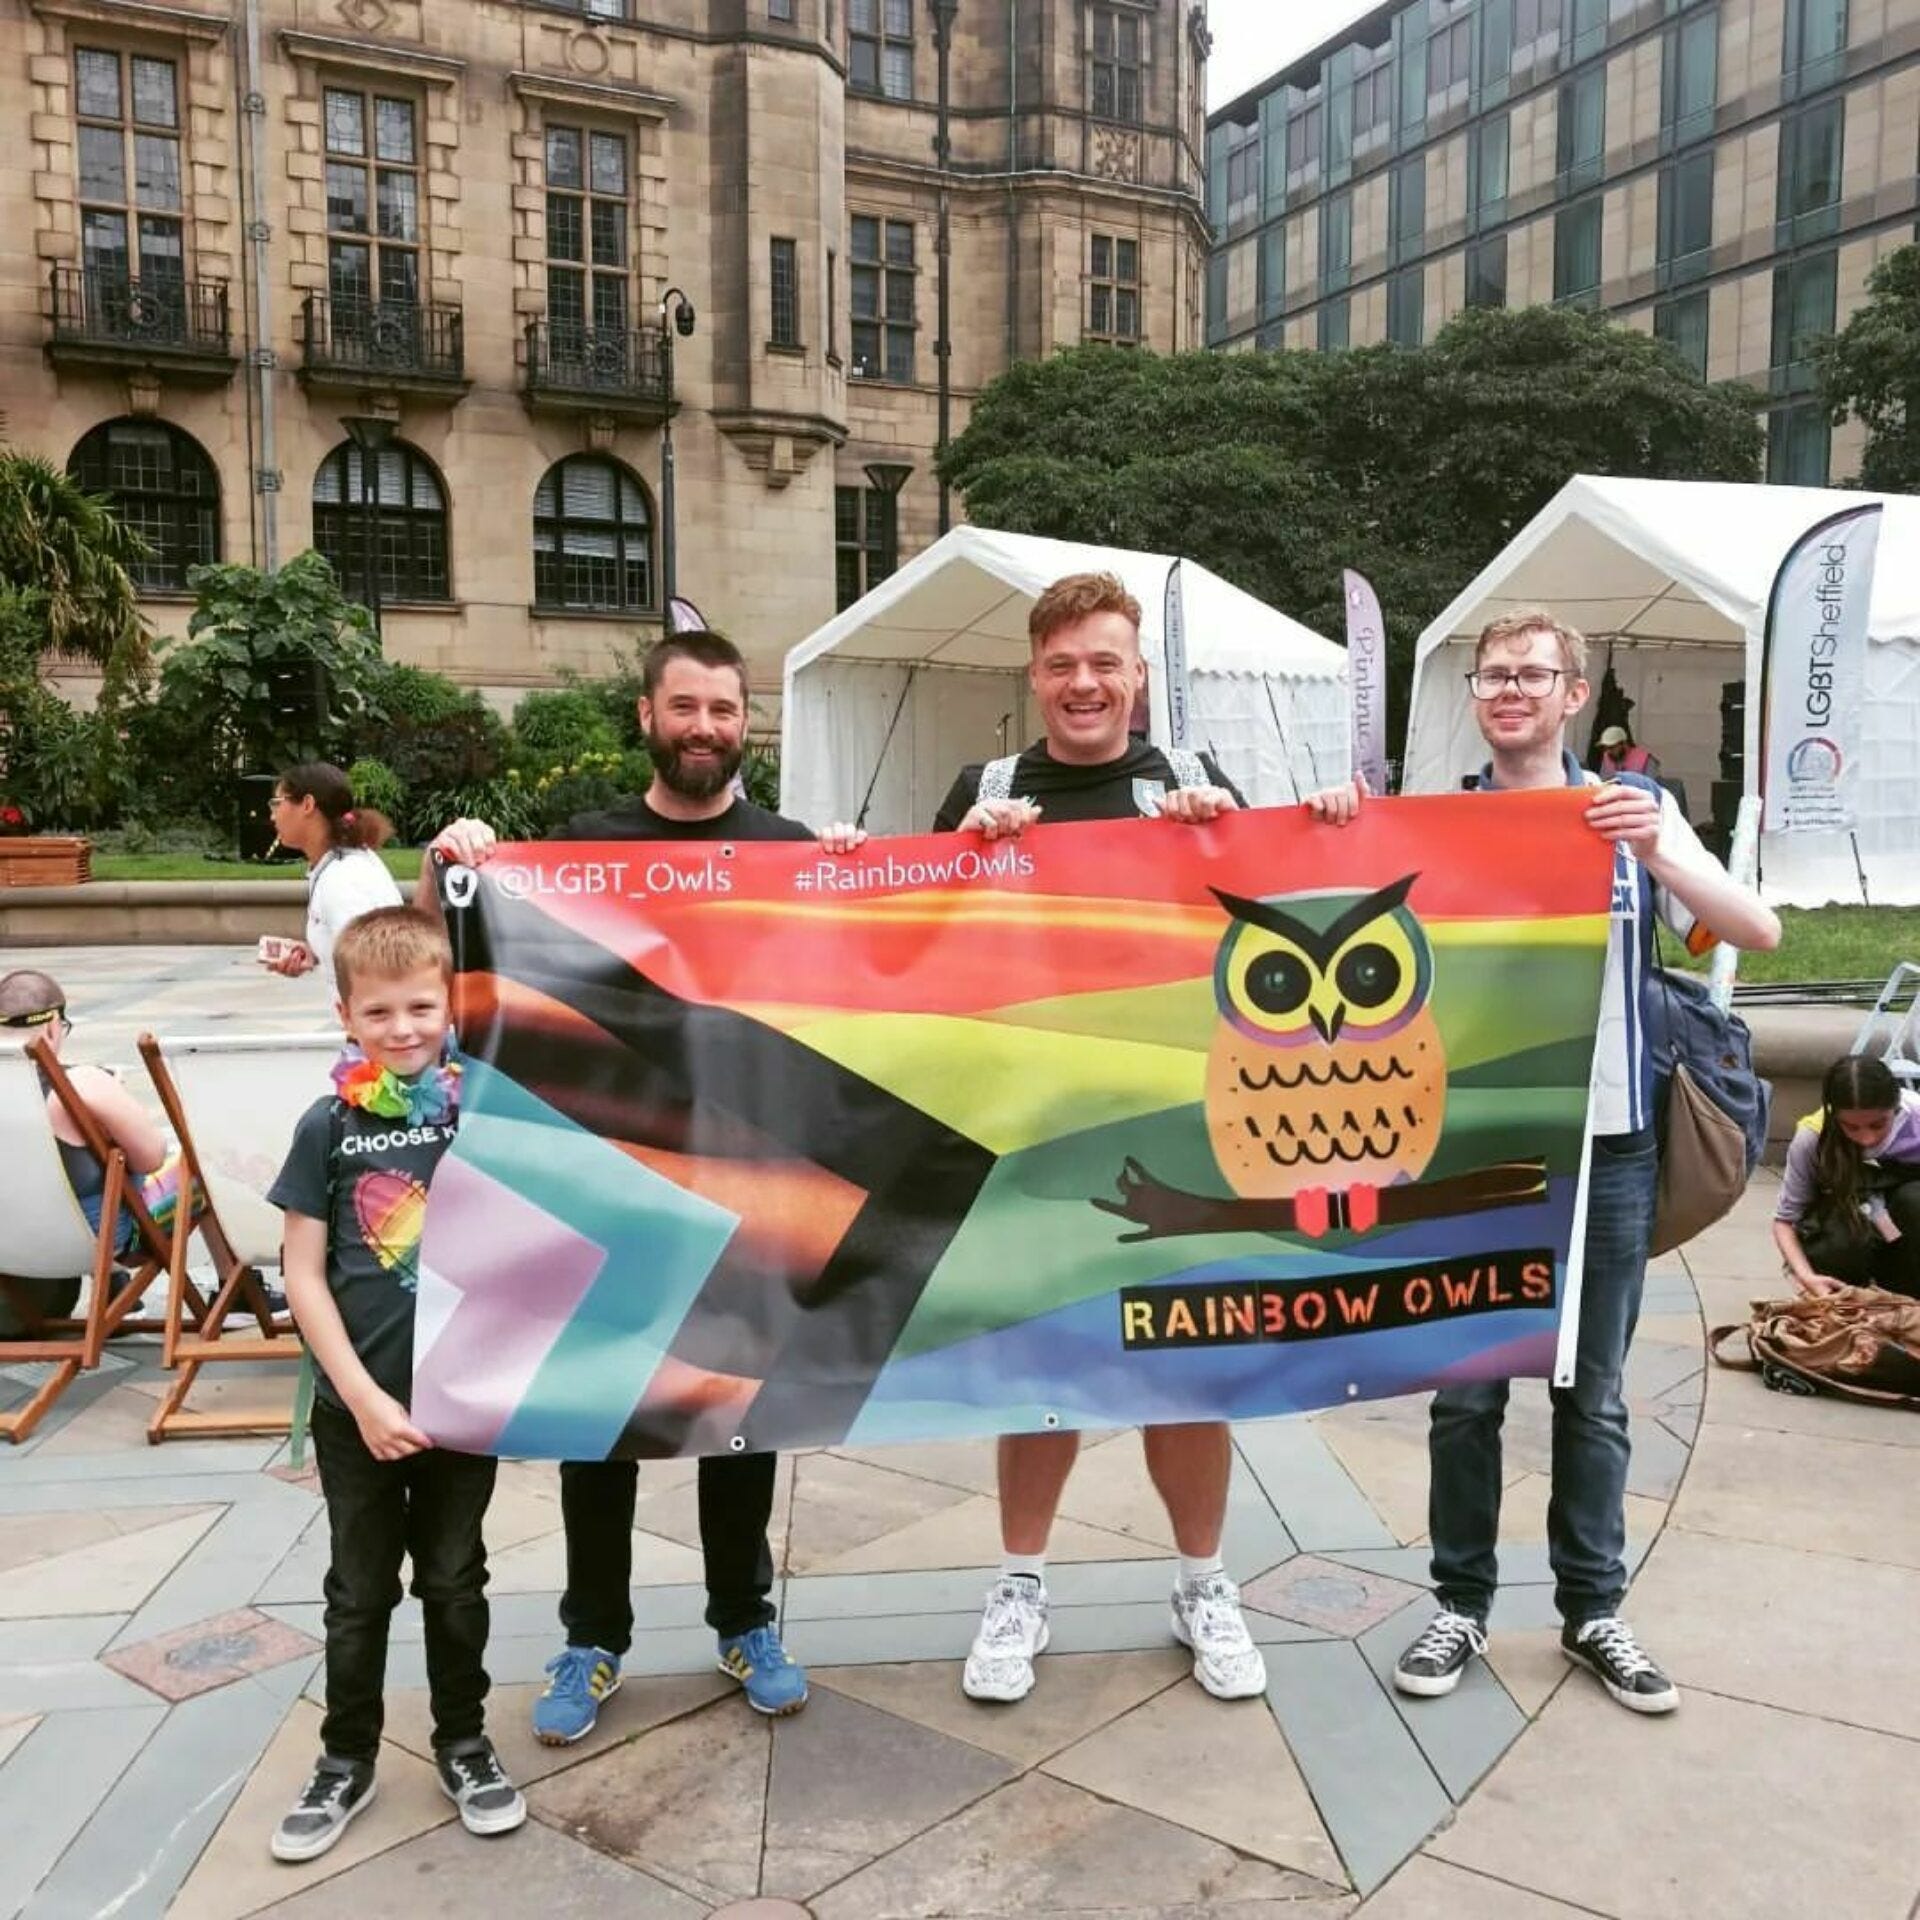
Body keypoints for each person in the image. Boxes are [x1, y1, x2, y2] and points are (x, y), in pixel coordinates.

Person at [1309, 608, 1780, 1716]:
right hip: (1476, 1150)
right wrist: (1335, 821)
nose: (1511, 691)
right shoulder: (1435, 822)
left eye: (1533, 675)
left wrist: (1657, 847)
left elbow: (1752, 931)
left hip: (1608, 1146)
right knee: (1466, 1393)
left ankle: (1592, 1609)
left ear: (1576, 694)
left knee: (1594, 1391)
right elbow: (1322, 896)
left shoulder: (1630, 814)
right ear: (1476, 696)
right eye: (1493, 676)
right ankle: (1461, 1603)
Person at [424, 629, 862, 1744]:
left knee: (739, 1419)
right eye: (685, 707)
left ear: (745, 720)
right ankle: (593, 1636)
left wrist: (858, 874)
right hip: (615, 1181)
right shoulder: (577, 850)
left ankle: (744, 1618)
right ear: (647, 718)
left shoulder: (789, 849)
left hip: (752, 1179)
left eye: (724, 708)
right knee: (597, 1419)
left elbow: (859, 981)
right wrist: (453, 866)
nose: (705, 727)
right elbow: (463, 963)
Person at [929, 569, 1269, 1707]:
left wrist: (1239, 838)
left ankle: (1203, 1582)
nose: (1085, 683)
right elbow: (907, 959)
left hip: (1174, 1130)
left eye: (1105, 663)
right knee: (1044, 1373)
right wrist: (953, 864)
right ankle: (1020, 1584)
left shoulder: (1191, 780)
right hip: (1032, 1137)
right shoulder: (979, 792)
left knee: (1192, 1366)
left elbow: (1265, 923)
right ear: (1035, 675)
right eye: (1064, 663)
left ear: (1139, 678)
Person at [266, 907, 525, 1862]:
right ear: (346, 1016)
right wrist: (365, 1401)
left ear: (451, 1002)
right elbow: (302, 1273)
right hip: (357, 1411)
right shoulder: (325, 1126)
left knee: (456, 1580)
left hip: (463, 1406)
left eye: (423, 1005)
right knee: (359, 1590)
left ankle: (465, 1742)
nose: (405, 1027)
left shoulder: (485, 1110)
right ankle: (346, 1759)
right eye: (380, 1012)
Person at [1, 968, 185, 1327]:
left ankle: (118, 1295)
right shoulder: (81, 1083)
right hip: (97, 1244)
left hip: (9, 1245)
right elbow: (151, 1157)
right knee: (199, 1170)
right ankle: (236, 1291)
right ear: (54, 1027)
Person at [1773, 1055, 1920, 1299]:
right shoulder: (1813, 1138)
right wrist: (1806, 1276)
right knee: (1839, 1243)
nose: (1866, 1139)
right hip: (1849, 1226)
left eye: (1877, 1125)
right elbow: (1785, 1221)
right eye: (1851, 1127)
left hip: (1907, 1227)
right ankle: (1849, 1301)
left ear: (1895, 1106)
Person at [263, 762, 403, 982]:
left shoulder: (342, 879)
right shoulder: (342, 864)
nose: (273, 816)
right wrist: (318, 953)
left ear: (307, 804)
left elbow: (372, 968)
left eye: (277, 803)